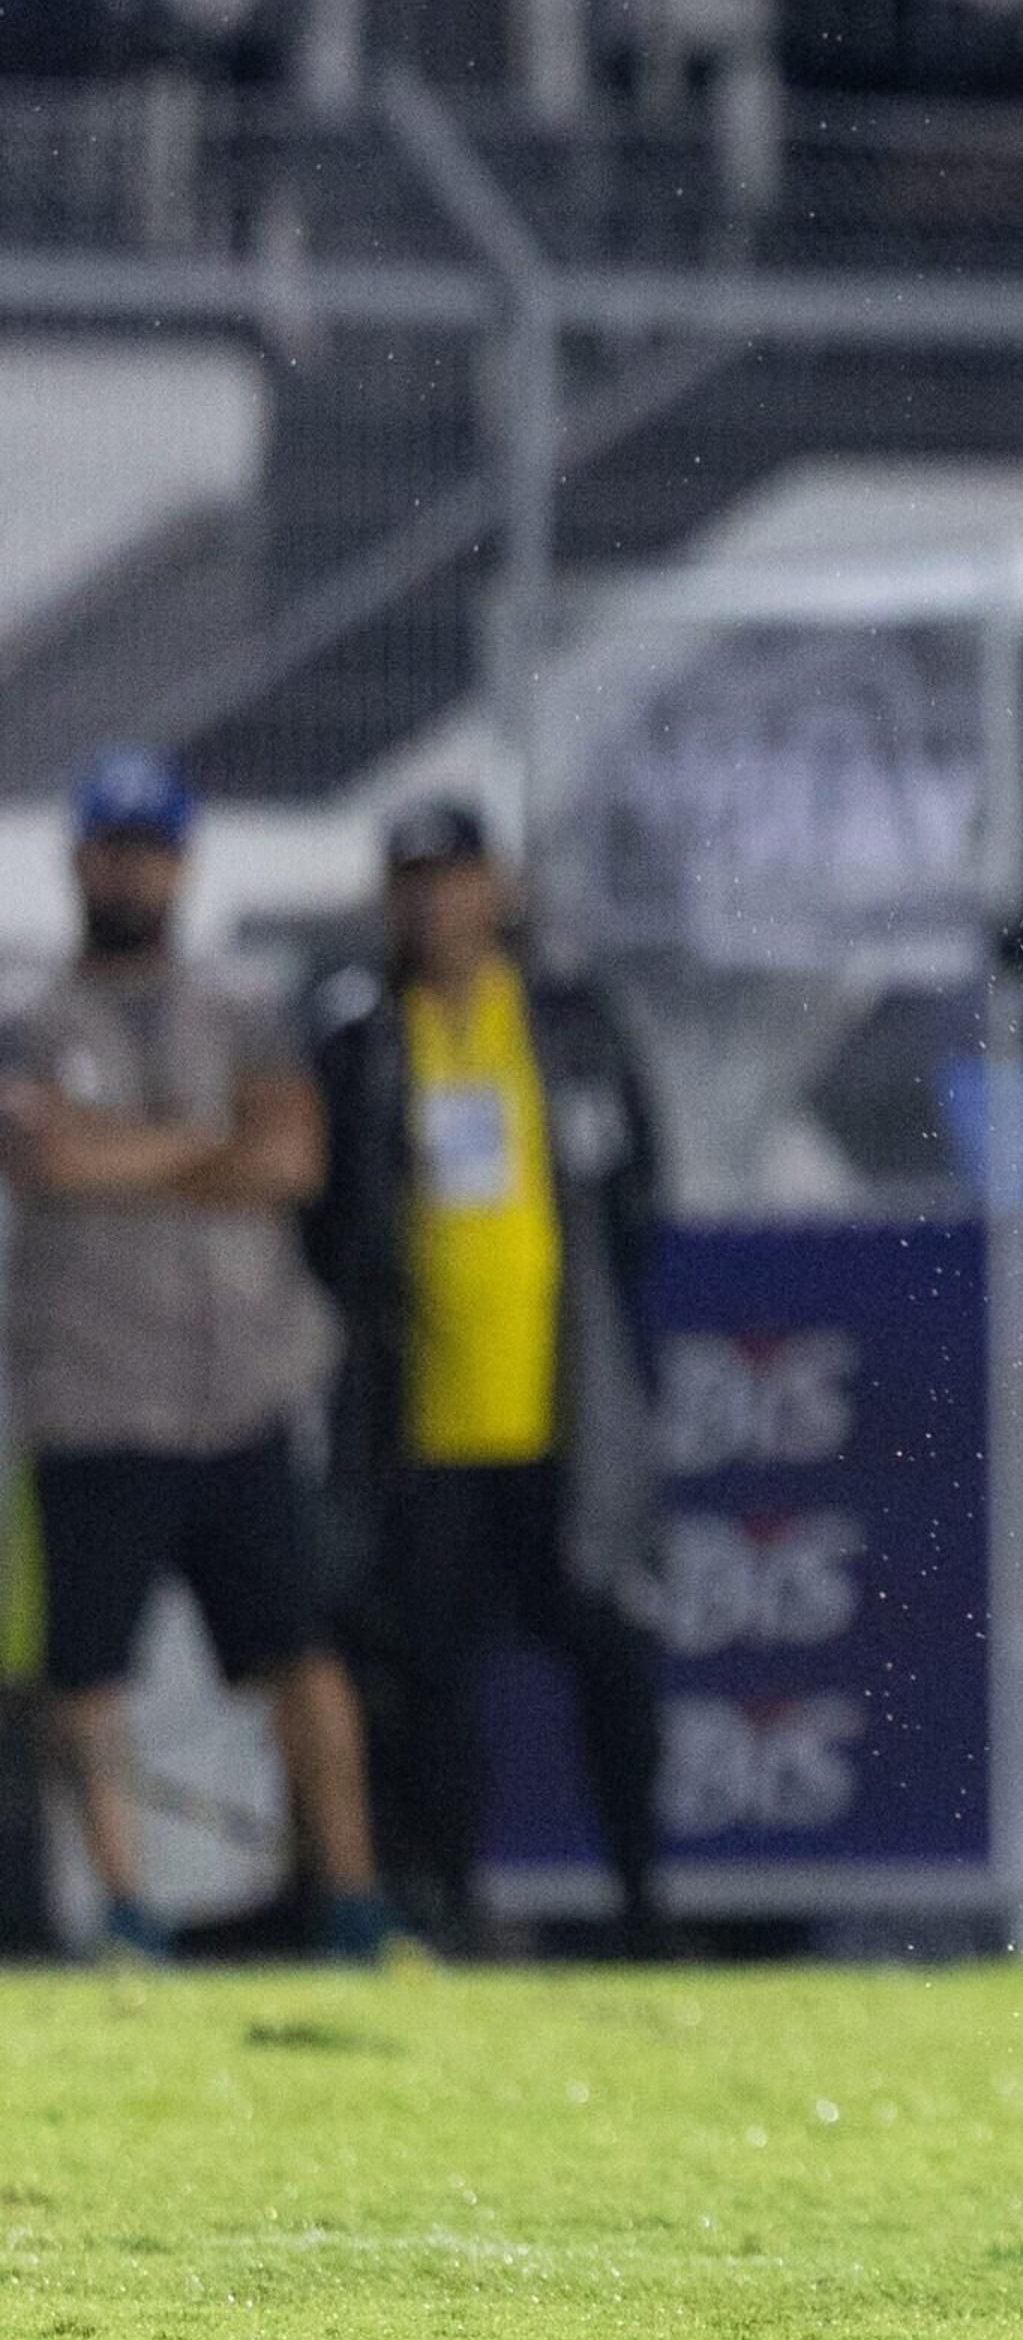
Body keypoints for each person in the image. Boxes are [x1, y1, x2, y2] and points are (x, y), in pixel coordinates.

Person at [1, 748, 390, 1961]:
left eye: (151, 849)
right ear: (80, 861)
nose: (131, 871)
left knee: (297, 1655)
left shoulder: (244, 1006)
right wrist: (206, 1148)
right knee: (88, 1672)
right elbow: (47, 1163)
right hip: (96, 1397)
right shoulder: (32, 1018)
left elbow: (291, 1161)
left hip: (240, 1393)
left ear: (180, 862)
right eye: (113, 848)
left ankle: (351, 1900)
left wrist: (127, 1156)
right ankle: (124, 1906)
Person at [306, 800, 671, 1956]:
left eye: (453, 875)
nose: (434, 900)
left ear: (497, 886)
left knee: (609, 1654)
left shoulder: (567, 1021)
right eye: (411, 877)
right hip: (421, 1420)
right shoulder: (361, 1032)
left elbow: (636, 1193)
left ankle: (639, 1902)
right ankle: (450, 1902)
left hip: (562, 1417)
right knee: (429, 1675)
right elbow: (331, 1224)